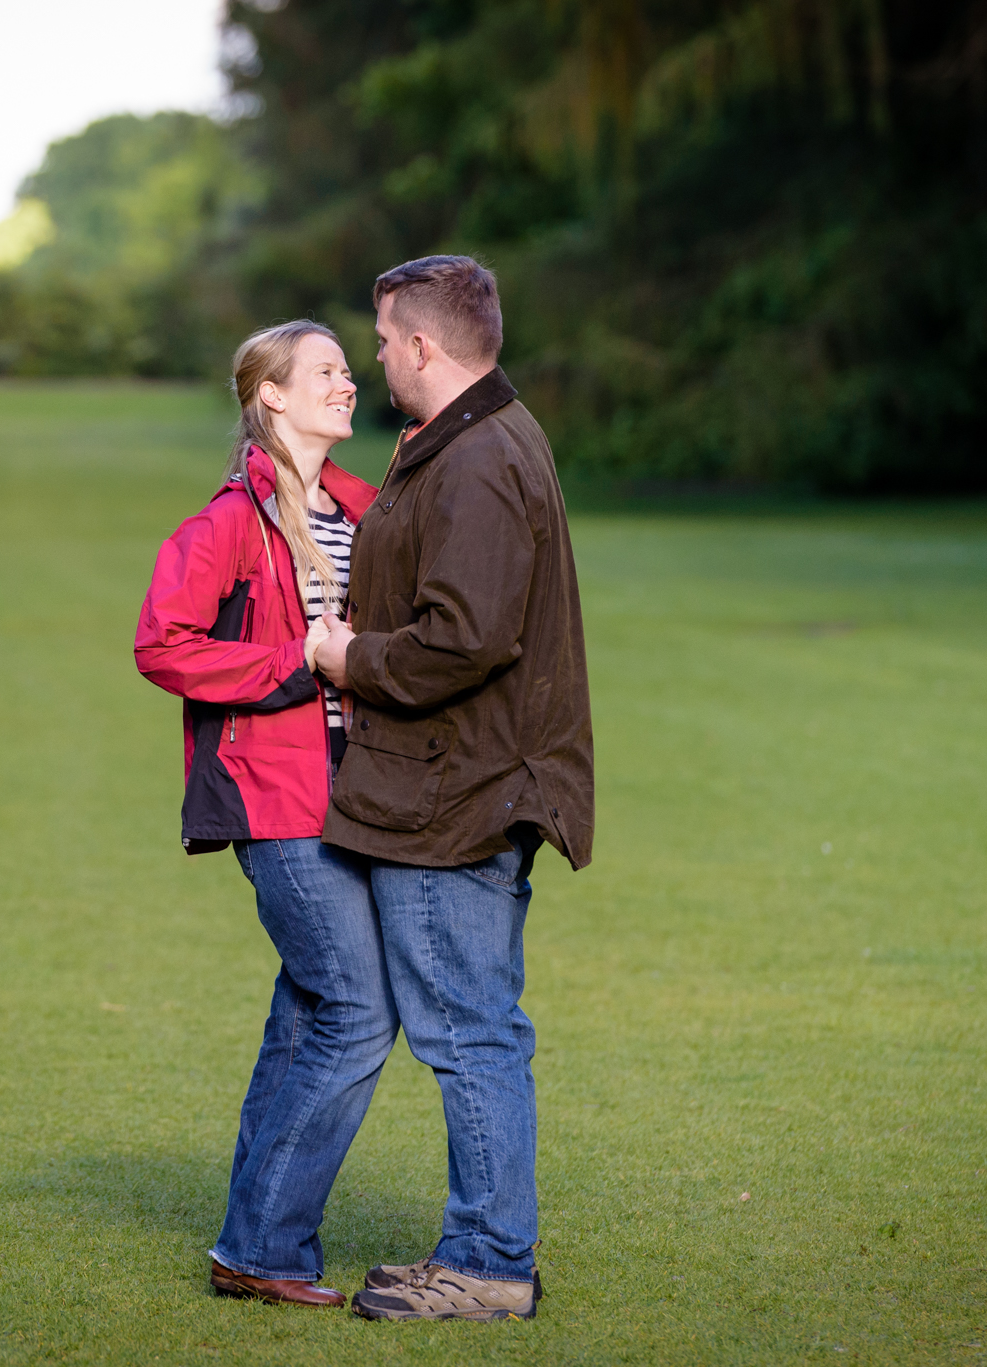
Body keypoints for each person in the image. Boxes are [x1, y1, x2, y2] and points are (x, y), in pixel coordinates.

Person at [310, 255, 594, 1323]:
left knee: (469, 1032)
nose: (375, 355)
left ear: (422, 345)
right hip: (461, 782)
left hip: (456, 795)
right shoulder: (476, 436)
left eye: (381, 339)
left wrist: (350, 659)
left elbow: (465, 635)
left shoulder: (475, 455)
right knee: (476, 1025)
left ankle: (482, 1264)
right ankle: (484, 1251)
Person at [134, 320, 389, 1309]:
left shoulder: (360, 509)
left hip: (358, 794)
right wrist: (294, 665)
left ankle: (254, 1238)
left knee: (310, 1012)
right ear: (271, 394)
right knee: (358, 1008)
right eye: (326, 369)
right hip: (276, 798)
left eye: (348, 368)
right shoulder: (230, 520)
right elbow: (165, 645)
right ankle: (264, 1246)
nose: (348, 381)